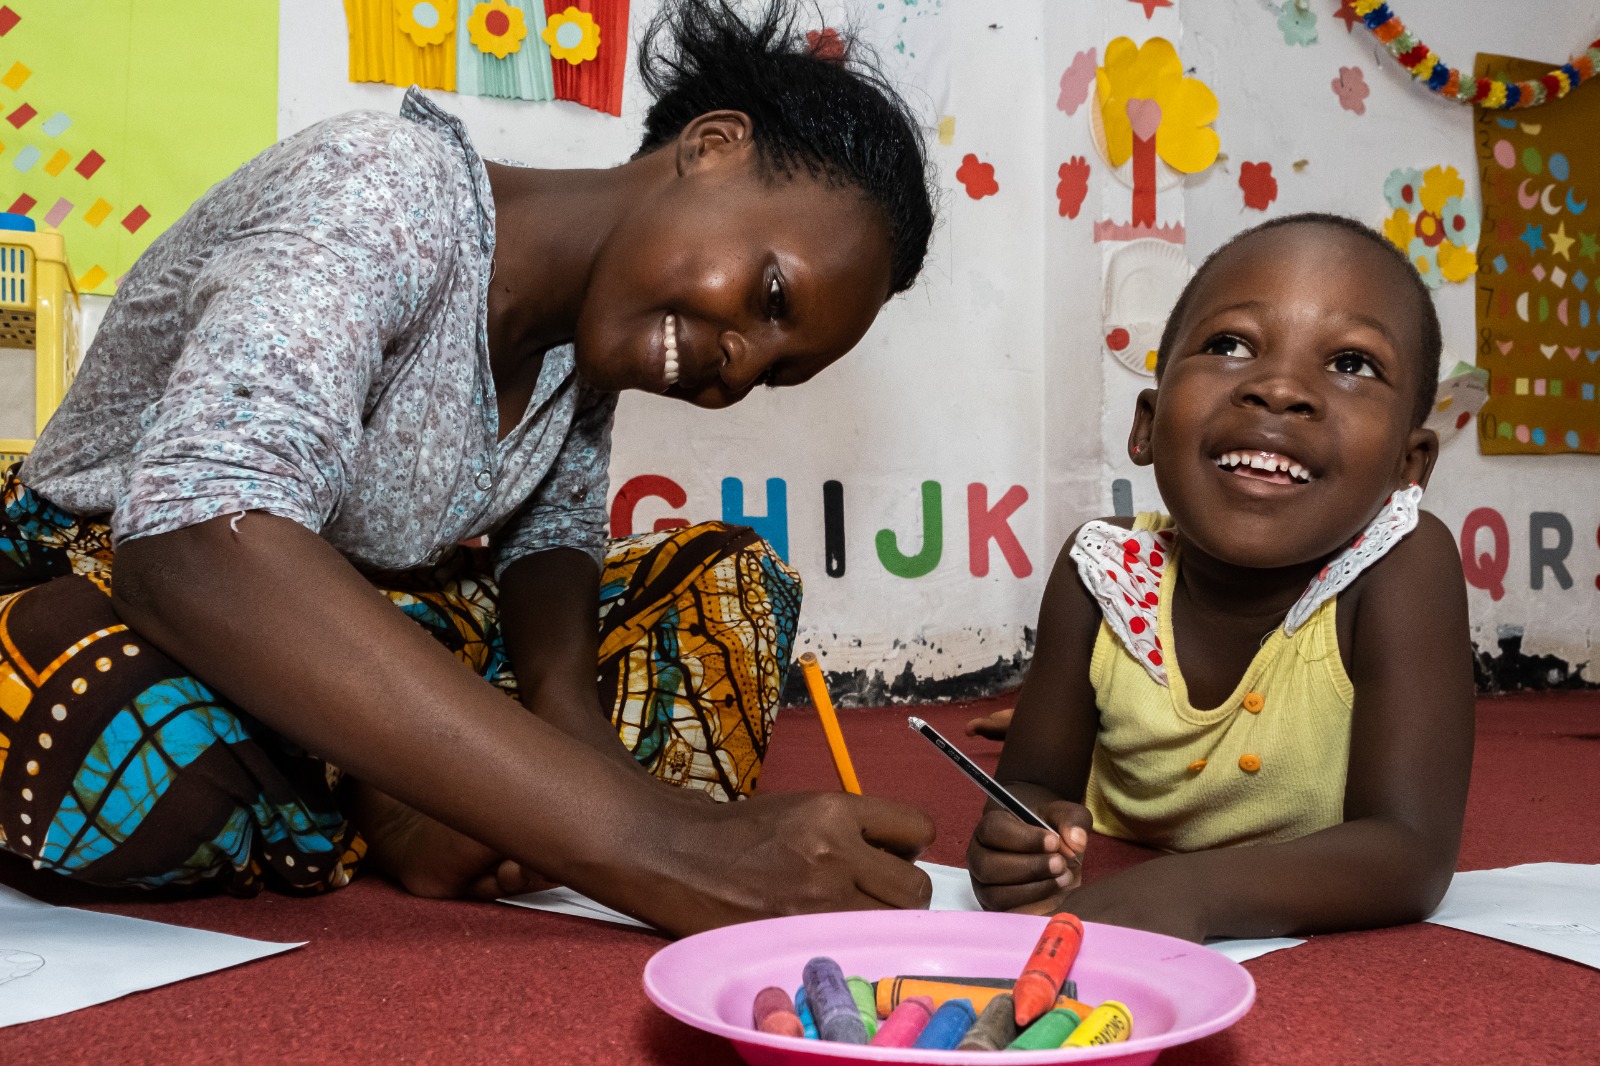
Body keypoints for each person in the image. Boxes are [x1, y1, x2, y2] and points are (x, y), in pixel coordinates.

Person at [0, 0, 939, 935]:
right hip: (136, 571)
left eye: (776, 374)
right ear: (715, 144)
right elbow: (195, 538)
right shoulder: (380, 187)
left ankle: (425, 786)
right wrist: (661, 844)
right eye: (770, 295)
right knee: (101, 717)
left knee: (726, 589)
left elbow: (554, 542)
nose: (738, 367)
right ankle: (395, 782)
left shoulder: (597, 339)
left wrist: (584, 746)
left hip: (372, 611)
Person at [966, 213, 1475, 942]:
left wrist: (1191, 893)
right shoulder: (1102, 569)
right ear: (1146, 423)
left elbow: (1410, 853)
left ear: (1408, 466)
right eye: (1229, 345)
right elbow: (1030, 790)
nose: (1279, 389)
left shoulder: (1403, 564)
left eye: (1352, 363)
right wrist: (1016, 839)